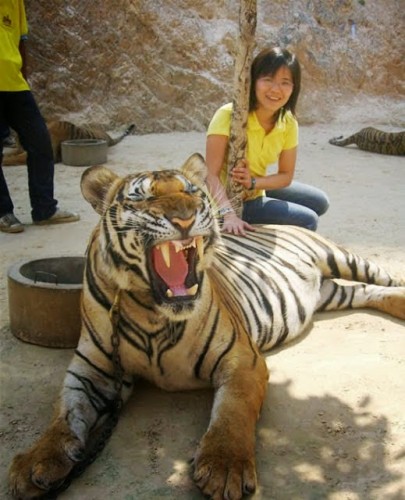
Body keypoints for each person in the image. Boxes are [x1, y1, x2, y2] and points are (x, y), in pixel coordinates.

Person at [205, 46, 329, 235]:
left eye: (285, 82)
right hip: (226, 198)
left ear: (294, 88)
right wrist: (228, 214)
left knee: (320, 202)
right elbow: (209, 175)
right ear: (254, 81)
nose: (275, 89)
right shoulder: (229, 115)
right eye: (268, 79)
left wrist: (253, 182)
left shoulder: (288, 121)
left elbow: (286, 176)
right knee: (308, 219)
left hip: (254, 187)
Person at [0, 0, 79, 234]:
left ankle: (44, 210)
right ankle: (4, 212)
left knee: (41, 143)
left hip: (15, 85)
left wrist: (23, 79)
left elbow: (21, 41)